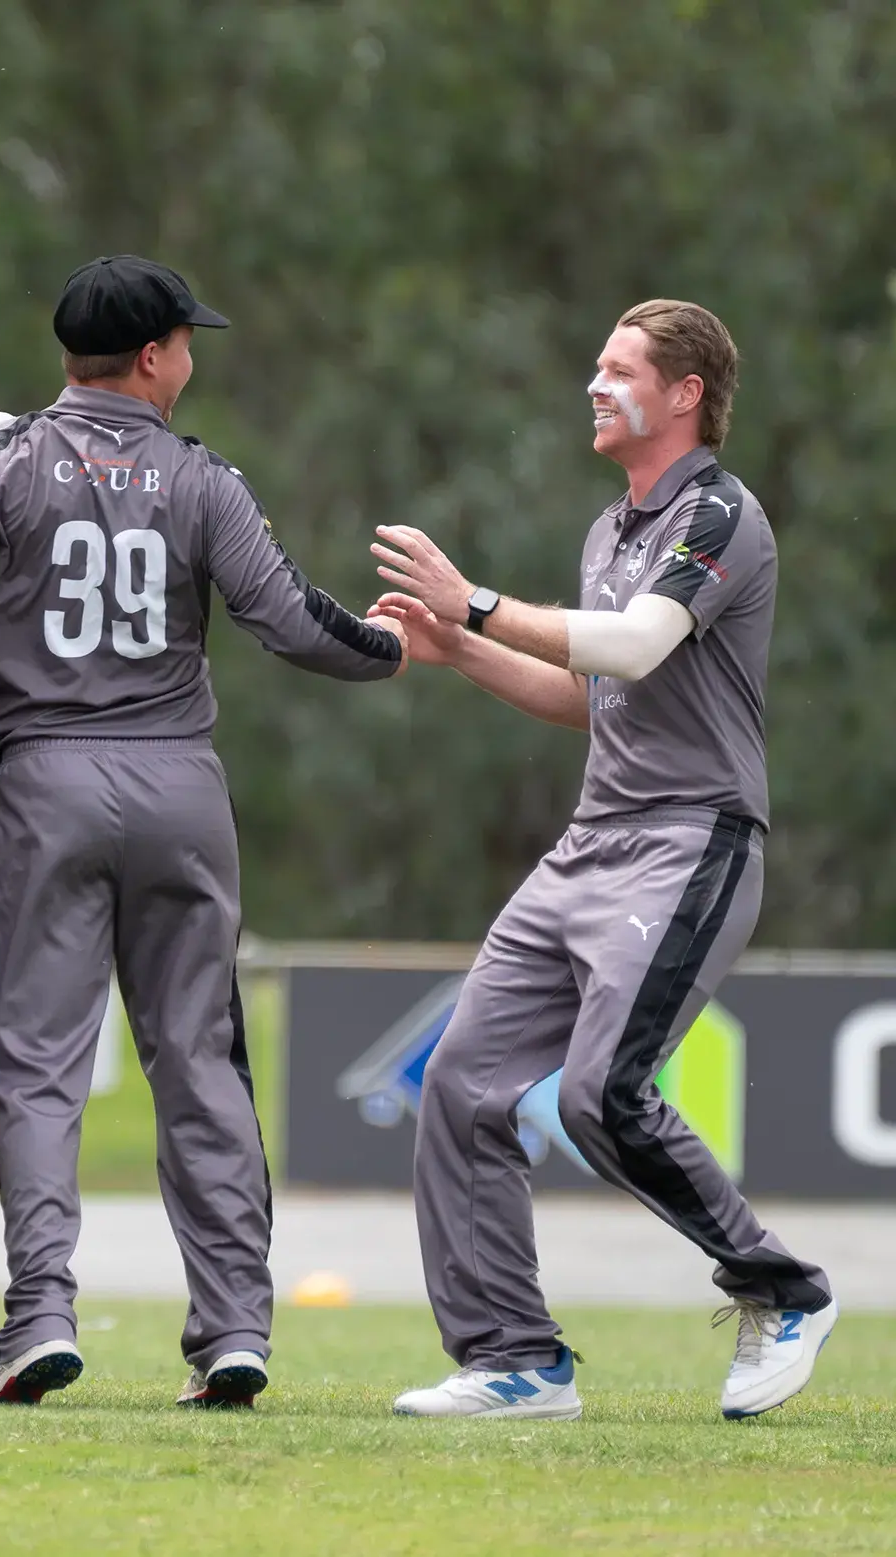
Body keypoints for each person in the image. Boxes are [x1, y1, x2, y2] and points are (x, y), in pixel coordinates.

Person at [0, 256, 405, 1410]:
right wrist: (393, 648)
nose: (189, 360)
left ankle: (39, 1316)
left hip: (45, 781)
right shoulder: (201, 477)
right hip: (180, 785)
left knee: (36, 1067)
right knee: (198, 1059)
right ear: (152, 358)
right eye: (186, 343)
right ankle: (232, 1328)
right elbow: (289, 618)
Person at [374, 300, 835, 1422]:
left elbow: (634, 644)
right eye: (596, 364)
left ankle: (784, 1290)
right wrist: (460, 647)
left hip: (689, 841)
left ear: (684, 394)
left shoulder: (720, 513)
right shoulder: (608, 531)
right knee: (459, 1086)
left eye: (619, 368)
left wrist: (478, 601)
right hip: (588, 846)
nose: (594, 383)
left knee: (600, 1095)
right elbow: (594, 698)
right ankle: (516, 1361)